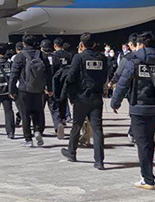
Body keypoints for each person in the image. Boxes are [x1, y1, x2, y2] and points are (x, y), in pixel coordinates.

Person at [110, 31, 155, 189]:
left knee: (142, 144)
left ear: (140, 44)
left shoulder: (133, 61)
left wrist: (115, 102)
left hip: (138, 108)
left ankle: (147, 179)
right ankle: (147, 176)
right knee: (149, 141)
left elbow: (123, 83)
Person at [62, 34, 108, 169]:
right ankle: (99, 161)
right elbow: (105, 76)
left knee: (76, 126)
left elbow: (71, 76)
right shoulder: (102, 58)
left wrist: (70, 93)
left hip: (81, 97)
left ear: (81, 45)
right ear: (94, 44)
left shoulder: (79, 57)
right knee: (97, 129)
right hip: (96, 97)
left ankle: (72, 153)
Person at [9, 35, 52, 148]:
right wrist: (50, 88)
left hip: (24, 89)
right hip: (39, 89)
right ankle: (37, 131)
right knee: (37, 112)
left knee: (25, 114)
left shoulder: (20, 56)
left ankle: (28, 139)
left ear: (24, 43)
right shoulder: (42, 55)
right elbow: (48, 74)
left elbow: (14, 74)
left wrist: (11, 89)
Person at [49, 37, 74, 139]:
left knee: (55, 101)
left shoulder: (53, 56)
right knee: (64, 99)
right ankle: (63, 118)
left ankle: (58, 120)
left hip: (56, 80)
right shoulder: (69, 55)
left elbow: (52, 69)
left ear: (55, 45)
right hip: (66, 79)